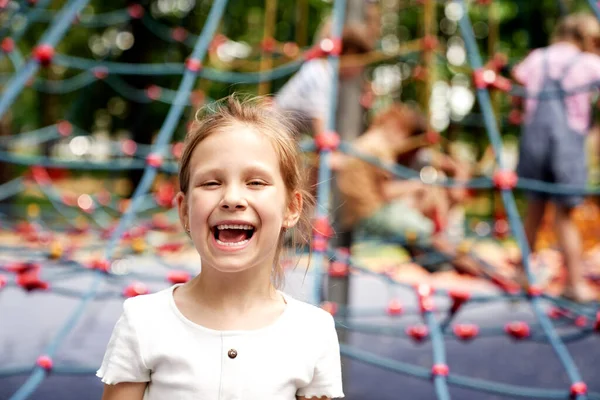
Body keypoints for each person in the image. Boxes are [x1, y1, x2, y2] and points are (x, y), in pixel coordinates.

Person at [97, 95, 344, 399]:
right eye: (211, 183)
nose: (232, 198)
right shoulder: (144, 322)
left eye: (255, 182)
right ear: (184, 210)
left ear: (291, 208)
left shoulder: (312, 331)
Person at [335, 103, 486, 277]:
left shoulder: (364, 141)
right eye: (404, 134)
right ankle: (469, 268)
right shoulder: (380, 147)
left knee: (415, 233)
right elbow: (386, 193)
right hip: (372, 213)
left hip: (352, 215)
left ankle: (441, 264)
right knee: (428, 232)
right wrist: (416, 186)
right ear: (397, 127)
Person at [512, 12, 600, 303]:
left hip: (535, 138)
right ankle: (573, 282)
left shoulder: (538, 57)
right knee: (565, 214)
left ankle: (523, 274)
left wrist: (519, 107)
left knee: (535, 208)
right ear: (587, 39)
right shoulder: (588, 62)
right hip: (568, 143)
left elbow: (517, 83)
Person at [275, 21, 374, 138]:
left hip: (285, 132)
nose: (360, 70)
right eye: (360, 63)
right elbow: (321, 129)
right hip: (274, 130)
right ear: (348, 53)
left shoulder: (327, 74)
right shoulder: (321, 73)